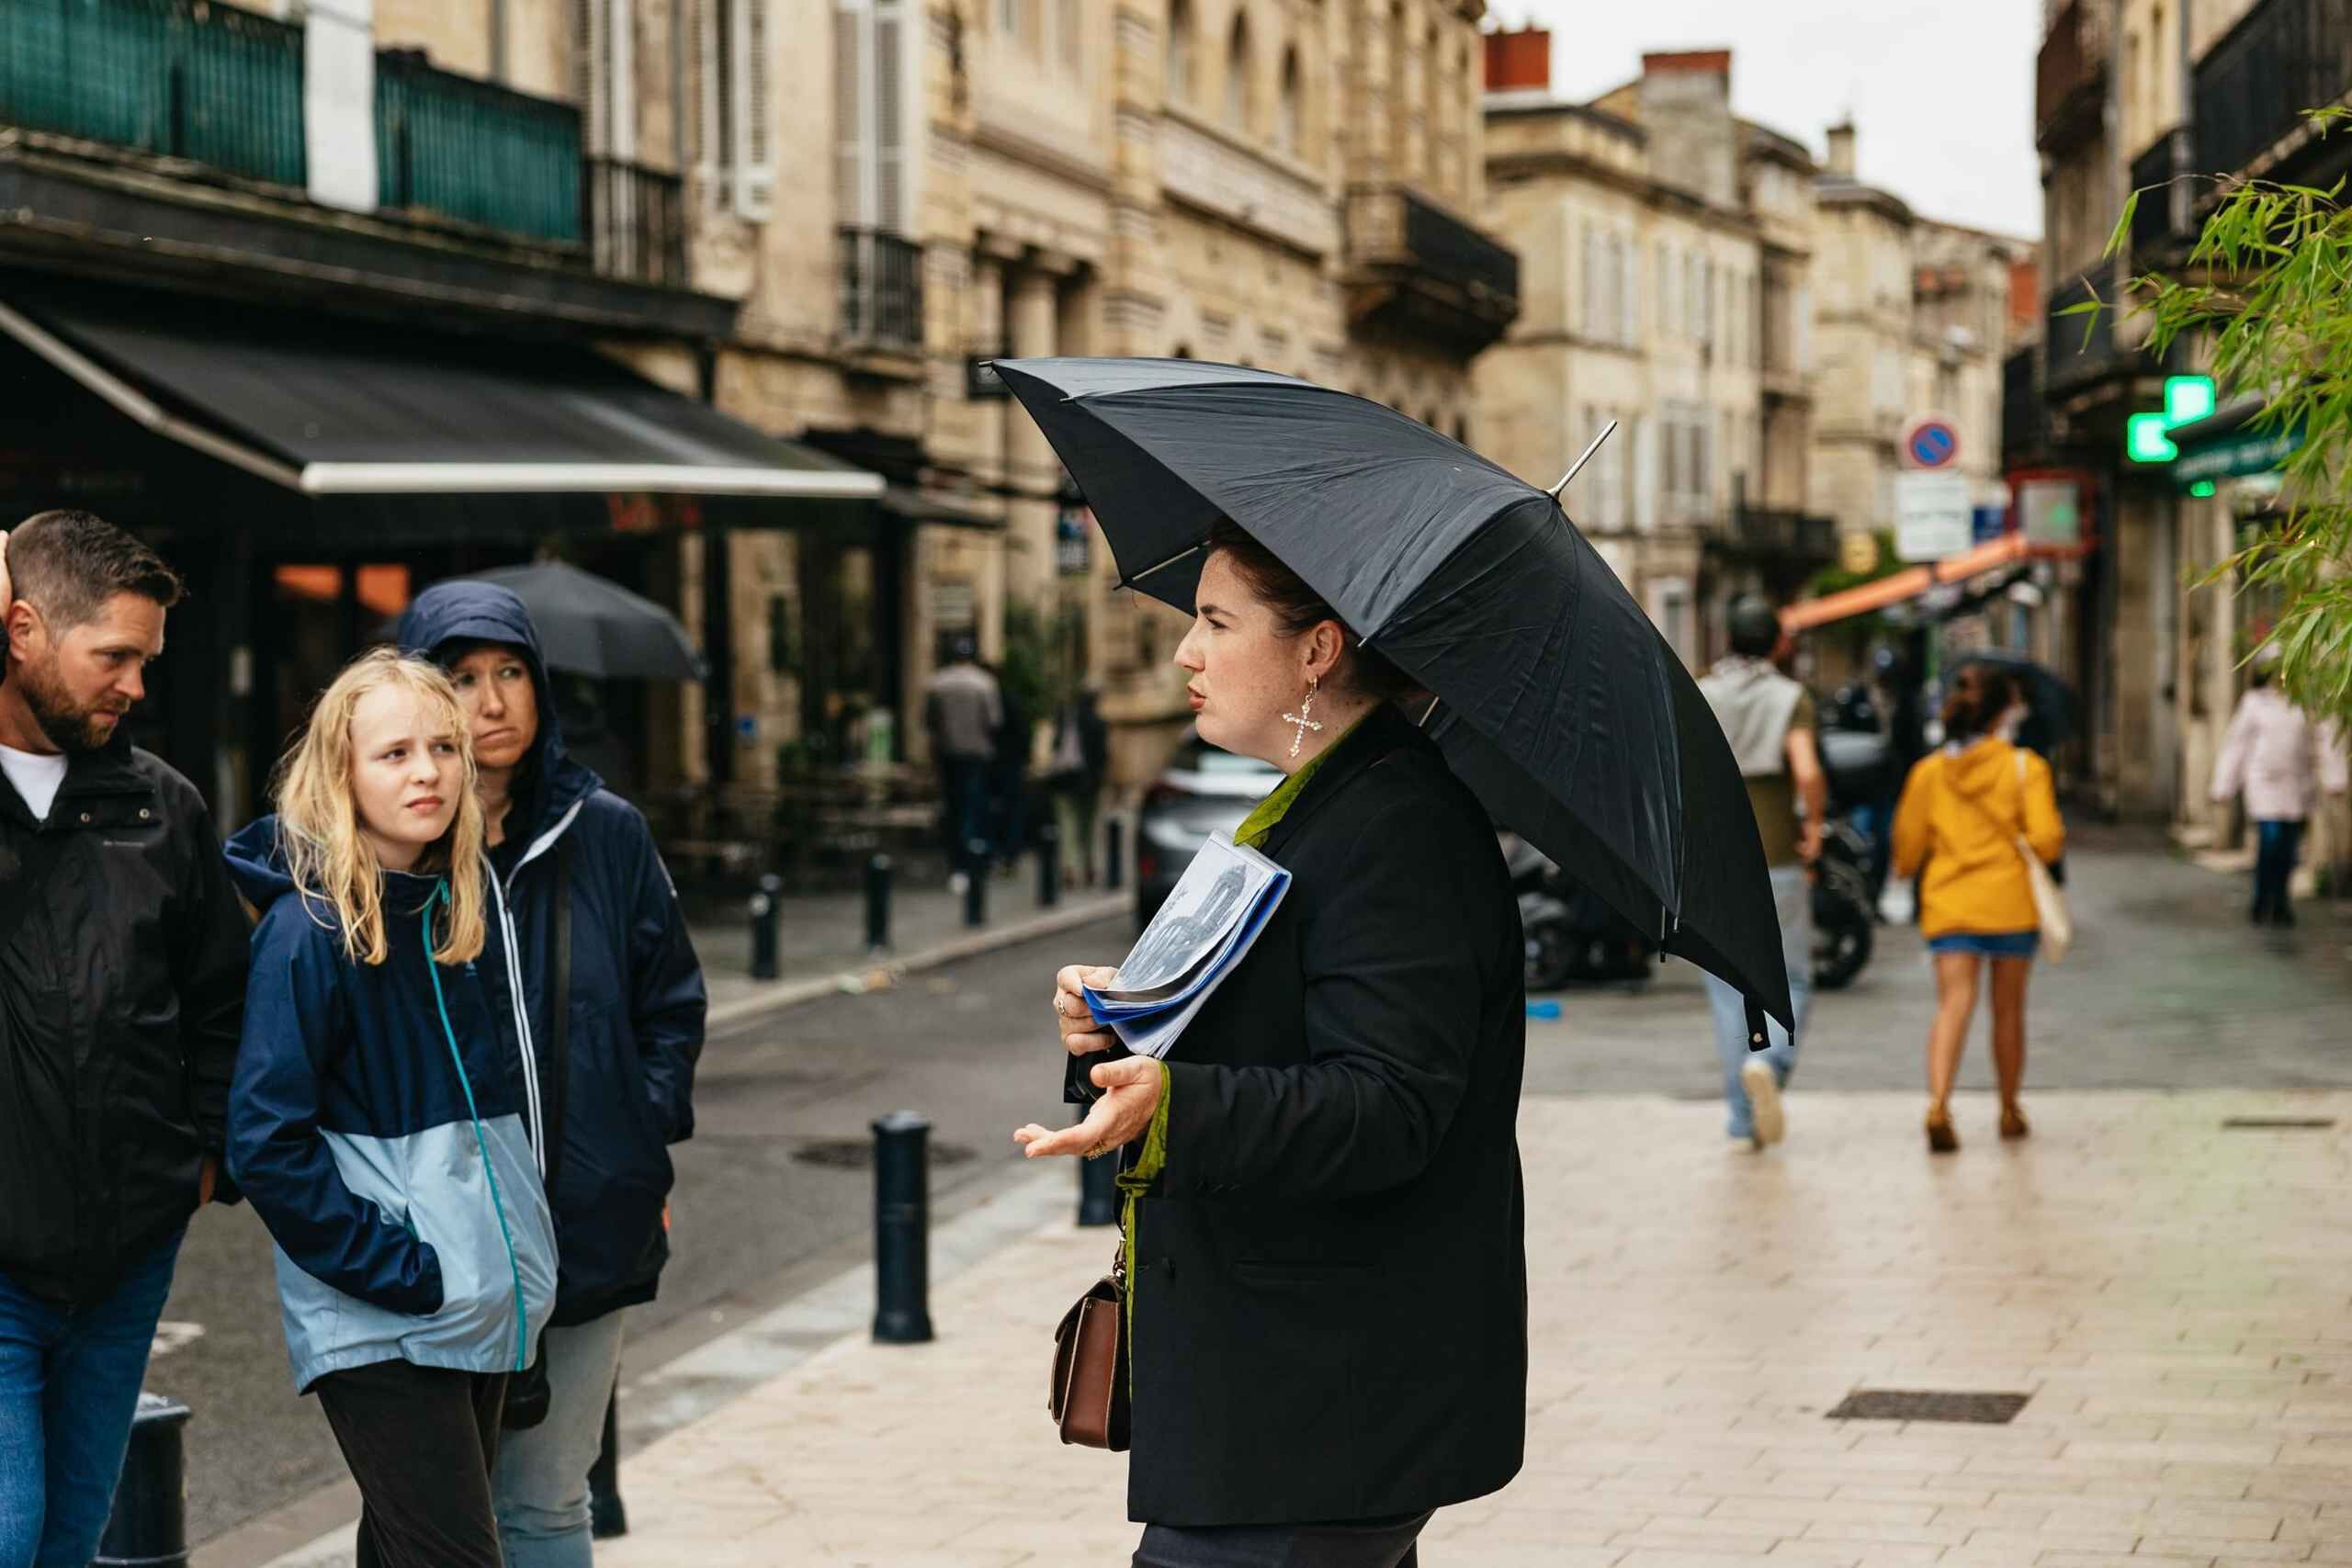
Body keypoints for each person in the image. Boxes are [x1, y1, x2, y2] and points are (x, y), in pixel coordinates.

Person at [1017, 518, 1527, 1568]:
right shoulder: (1321, 803)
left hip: (1318, 1403)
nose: (1184, 654)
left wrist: (1173, 1101)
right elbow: (1281, 1022)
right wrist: (1122, 1028)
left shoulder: (1395, 825)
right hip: (1284, 1404)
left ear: (1317, 648)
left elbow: (1390, 1103)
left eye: (1214, 621)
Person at [392, 582, 707, 1568]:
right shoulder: (386, 849)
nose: (491, 704)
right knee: (438, 1520)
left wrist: (633, 1138)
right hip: (434, 1244)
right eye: (462, 679)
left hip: (586, 1224)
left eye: (511, 674)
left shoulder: (604, 833)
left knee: (545, 1501)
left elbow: (671, 1003)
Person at [225, 649, 560, 1568]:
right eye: (395, 753)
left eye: (444, 748)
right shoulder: (309, 931)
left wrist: (505, 1264)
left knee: (405, 1551)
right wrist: (399, 1269)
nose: (428, 772)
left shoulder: (452, 912)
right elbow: (265, 1141)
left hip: (475, 1302)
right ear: (342, 773)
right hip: (389, 1314)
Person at [0, 513, 247, 1568]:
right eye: (114, 656)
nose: (135, 686)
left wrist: (200, 1166)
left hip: (128, 1255)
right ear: (20, 628)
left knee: (70, 1536)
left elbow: (222, 1008)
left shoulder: (164, 809)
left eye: (145, 660)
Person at [1891, 663, 2065, 1153]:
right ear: (2003, 713)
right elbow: (2048, 841)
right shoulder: (2024, 768)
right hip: (2010, 903)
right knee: (2008, 1010)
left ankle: (1939, 1103)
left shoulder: (1928, 774)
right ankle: (2009, 1109)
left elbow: (1906, 851)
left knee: (1953, 1004)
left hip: (1950, 902)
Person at [1693, 594, 1824, 1152]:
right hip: (1777, 856)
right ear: (1776, 642)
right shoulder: (1790, 697)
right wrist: (1813, 822)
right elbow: (1808, 769)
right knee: (1790, 977)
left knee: (1729, 990)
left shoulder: (1699, 693)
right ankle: (1768, 1059)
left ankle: (1744, 1119)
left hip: (1715, 860)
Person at [2211, 647, 2347, 928]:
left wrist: (2336, 778)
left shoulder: (2308, 702)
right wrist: (2223, 785)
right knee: (2270, 841)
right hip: (2264, 783)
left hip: (2297, 785)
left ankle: (2281, 900)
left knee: (2288, 848)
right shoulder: (2254, 703)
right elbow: (2237, 745)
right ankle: (2262, 898)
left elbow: (2324, 740)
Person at [924, 637, 1001, 892]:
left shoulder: (937, 683)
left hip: (948, 754)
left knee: (954, 807)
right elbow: (993, 721)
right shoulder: (985, 683)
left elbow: (928, 721)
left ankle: (956, 863)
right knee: (973, 807)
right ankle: (971, 863)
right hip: (977, 754)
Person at [1048, 682, 1111, 886]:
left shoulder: (1065, 720)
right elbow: (1102, 756)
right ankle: (1089, 866)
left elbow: (1055, 747)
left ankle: (1069, 868)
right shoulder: (1098, 723)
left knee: (1067, 823)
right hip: (1089, 782)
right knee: (1089, 825)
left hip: (1065, 779)